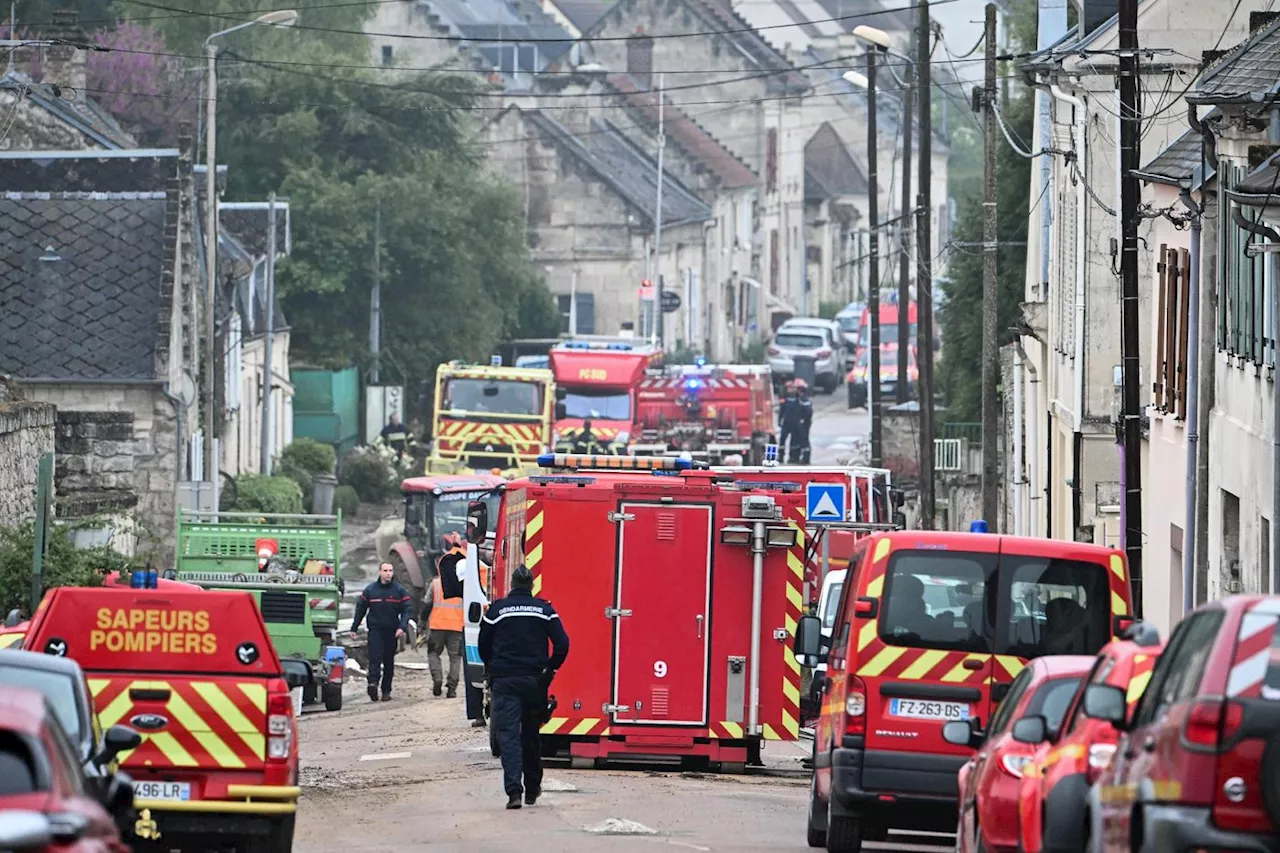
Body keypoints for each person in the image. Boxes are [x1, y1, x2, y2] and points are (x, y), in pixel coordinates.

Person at [478, 565, 569, 810]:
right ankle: (532, 788)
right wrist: (550, 669)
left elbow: (482, 645)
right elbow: (562, 644)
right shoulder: (544, 610)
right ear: (531, 585)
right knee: (530, 734)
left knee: (508, 736)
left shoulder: (496, 611)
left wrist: (493, 666)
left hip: (505, 681)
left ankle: (514, 792)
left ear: (512, 585)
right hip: (534, 682)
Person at [349, 562, 412, 702]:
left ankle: (386, 690)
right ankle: (373, 684)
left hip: (392, 631)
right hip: (375, 630)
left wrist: (402, 627)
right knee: (375, 659)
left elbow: (407, 610)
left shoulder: (399, 591)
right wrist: (354, 628)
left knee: (389, 661)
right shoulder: (370, 590)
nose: (388, 573)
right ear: (380, 572)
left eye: (390, 570)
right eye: (385, 570)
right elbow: (360, 609)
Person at [423, 536, 466, 698]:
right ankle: (452, 688)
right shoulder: (464, 583)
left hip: (437, 626)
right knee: (455, 657)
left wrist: (421, 622)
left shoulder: (436, 583)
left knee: (434, 654)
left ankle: (438, 679)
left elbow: (427, 604)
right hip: (456, 627)